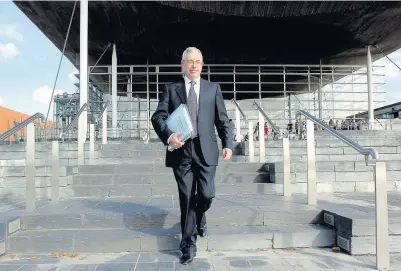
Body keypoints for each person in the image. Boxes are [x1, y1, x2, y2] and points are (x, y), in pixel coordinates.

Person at [151, 47, 233, 265]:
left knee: (206, 195)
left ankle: (200, 215)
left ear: (202, 64)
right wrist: (169, 137)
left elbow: (223, 120)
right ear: (182, 64)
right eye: (190, 61)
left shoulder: (212, 88)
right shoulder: (171, 89)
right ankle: (188, 245)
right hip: (182, 152)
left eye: (198, 61)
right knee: (187, 198)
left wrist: (228, 144)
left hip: (207, 151)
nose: (194, 65)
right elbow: (158, 117)